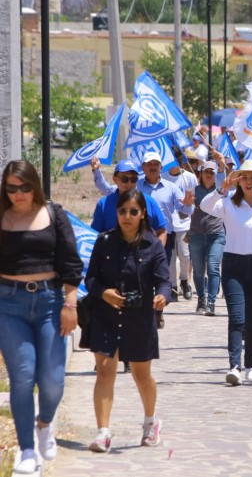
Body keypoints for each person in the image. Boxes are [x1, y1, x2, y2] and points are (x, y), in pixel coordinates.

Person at [0, 160, 83, 474]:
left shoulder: (54, 213)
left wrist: (70, 304)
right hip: (8, 304)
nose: (18, 194)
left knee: (52, 381)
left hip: (50, 301)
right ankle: (26, 451)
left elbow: (71, 261)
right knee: (22, 378)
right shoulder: (1, 216)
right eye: (11, 188)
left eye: (24, 187)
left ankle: (45, 422)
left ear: (34, 185)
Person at [84, 189, 171, 452]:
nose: (127, 216)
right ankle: (103, 433)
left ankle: (150, 422)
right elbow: (91, 279)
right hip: (105, 315)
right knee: (105, 370)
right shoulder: (104, 241)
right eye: (122, 211)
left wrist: (162, 297)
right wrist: (104, 292)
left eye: (133, 211)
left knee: (141, 375)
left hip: (139, 317)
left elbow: (163, 280)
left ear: (143, 214)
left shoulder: (152, 244)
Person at [200, 160, 252, 386]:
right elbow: (205, 206)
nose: (248, 182)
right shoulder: (227, 203)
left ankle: (251, 366)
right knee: (236, 318)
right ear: (239, 181)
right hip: (233, 266)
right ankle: (234, 366)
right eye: (244, 177)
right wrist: (221, 190)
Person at [138, 152, 194, 316]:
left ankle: (158, 310)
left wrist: (189, 204)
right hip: (141, 238)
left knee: (161, 273)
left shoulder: (171, 187)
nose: (153, 167)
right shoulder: (137, 187)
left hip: (165, 237)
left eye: (156, 164)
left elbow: (185, 209)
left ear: (161, 167)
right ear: (143, 167)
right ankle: (148, 308)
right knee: (144, 273)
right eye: (149, 164)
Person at [90, 160, 167, 245]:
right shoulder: (104, 204)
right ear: (115, 179)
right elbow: (94, 235)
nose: (129, 183)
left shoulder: (149, 202)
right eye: (125, 179)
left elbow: (161, 231)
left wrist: (157, 253)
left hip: (143, 256)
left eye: (133, 179)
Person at [188, 161, 226, 316]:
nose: (209, 174)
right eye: (206, 171)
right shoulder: (193, 191)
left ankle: (211, 302)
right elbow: (183, 214)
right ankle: (201, 299)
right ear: (201, 174)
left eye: (212, 172)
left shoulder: (222, 191)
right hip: (196, 234)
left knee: (213, 268)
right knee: (198, 271)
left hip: (216, 235)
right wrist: (187, 204)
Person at [164, 151, 199, 301]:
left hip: (185, 223)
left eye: (176, 159)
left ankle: (184, 280)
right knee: (171, 257)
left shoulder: (189, 178)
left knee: (185, 255)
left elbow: (196, 200)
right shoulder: (163, 177)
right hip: (168, 225)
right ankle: (172, 286)